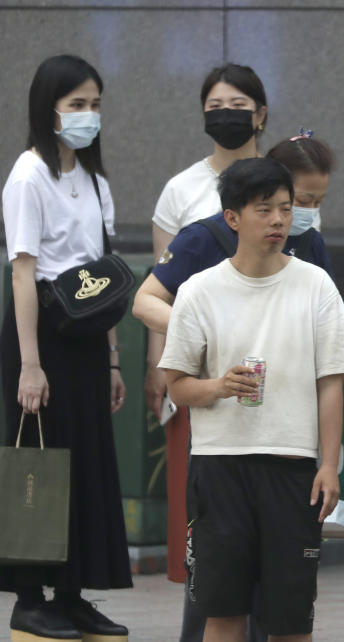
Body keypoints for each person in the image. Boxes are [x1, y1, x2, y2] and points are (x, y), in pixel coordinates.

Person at [132, 133, 334, 642]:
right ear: (233, 217)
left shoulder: (315, 280)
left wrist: (329, 465)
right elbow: (177, 386)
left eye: (291, 208)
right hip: (219, 463)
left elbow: (331, 381)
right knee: (221, 612)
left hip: (293, 466)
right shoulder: (200, 284)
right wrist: (219, 385)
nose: (282, 220)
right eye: (267, 209)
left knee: (292, 618)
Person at [0, 54, 131, 642]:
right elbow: (23, 273)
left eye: (95, 104)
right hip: (41, 335)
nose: (88, 115)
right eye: (76, 104)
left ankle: (74, 595)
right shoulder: (28, 174)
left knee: (87, 461)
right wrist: (30, 363)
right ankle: (30, 599)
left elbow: (101, 276)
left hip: (85, 335)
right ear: (48, 108)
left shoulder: (96, 181)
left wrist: (111, 358)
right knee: (40, 462)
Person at [143, 62, 269, 639]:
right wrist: (161, 364)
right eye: (215, 104)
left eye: (238, 103)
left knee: (268, 526)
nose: (227, 113)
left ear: (261, 114)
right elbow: (159, 291)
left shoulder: (280, 183)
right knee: (203, 522)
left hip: (273, 375)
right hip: (197, 375)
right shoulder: (182, 190)